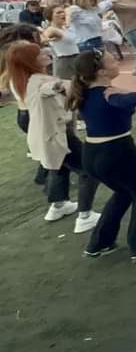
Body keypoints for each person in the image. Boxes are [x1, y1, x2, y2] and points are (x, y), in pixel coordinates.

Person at [66, 51, 136, 260]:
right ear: (102, 72)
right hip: (117, 152)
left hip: (92, 154)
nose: (117, 62)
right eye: (112, 61)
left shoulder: (85, 91)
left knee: (124, 192)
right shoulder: (107, 94)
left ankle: (99, 243)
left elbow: (120, 99)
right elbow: (119, 101)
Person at [6, 41, 100, 233]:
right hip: (55, 135)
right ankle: (85, 215)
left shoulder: (21, 80)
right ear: (30, 61)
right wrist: (69, 84)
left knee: (58, 166)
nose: (46, 53)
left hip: (47, 134)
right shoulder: (38, 82)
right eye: (39, 54)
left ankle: (58, 204)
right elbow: (51, 87)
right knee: (89, 169)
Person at [41, 6, 79, 79]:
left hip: (75, 58)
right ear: (50, 16)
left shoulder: (65, 28)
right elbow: (43, 37)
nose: (63, 14)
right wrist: (47, 39)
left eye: (63, 12)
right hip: (64, 61)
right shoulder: (52, 29)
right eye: (58, 13)